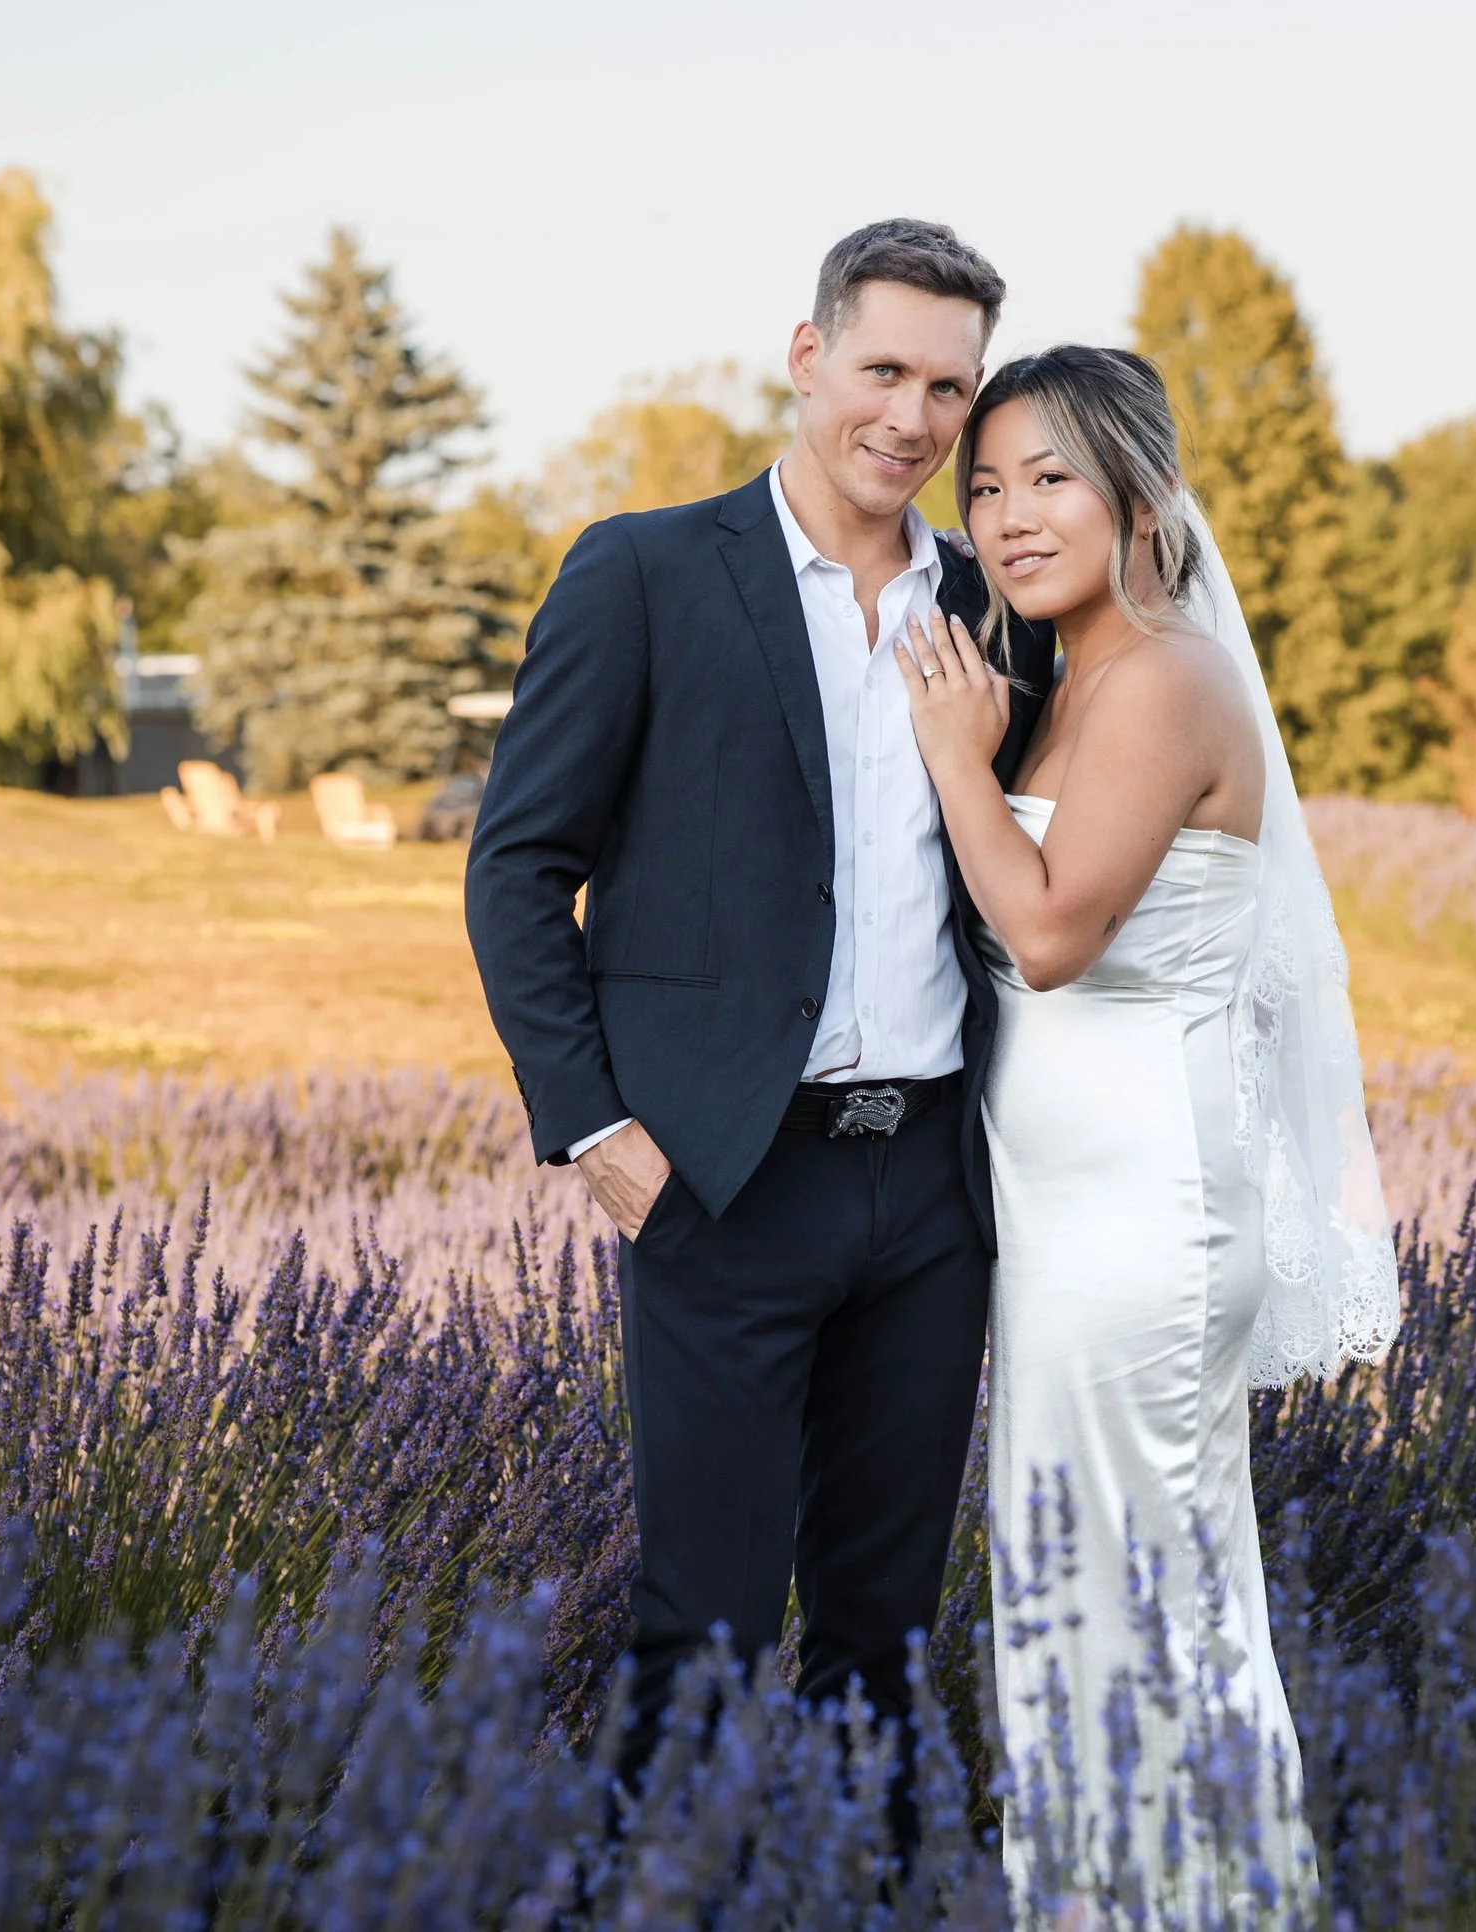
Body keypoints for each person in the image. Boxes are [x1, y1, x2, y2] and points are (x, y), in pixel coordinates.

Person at [462, 219, 1053, 1835]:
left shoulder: (994, 604)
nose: (915, 419)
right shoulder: (645, 571)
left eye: (951, 385)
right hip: (723, 1183)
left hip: (931, 1191)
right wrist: (596, 1127)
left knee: (880, 1628)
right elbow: (520, 869)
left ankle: (863, 1889)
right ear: (806, 359)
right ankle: (646, 1893)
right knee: (704, 1623)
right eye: (884, 371)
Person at [896, 345, 1401, 1921]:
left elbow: (1048, 937)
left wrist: (946, 759)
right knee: (1090, 1602)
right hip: (1075, 1233)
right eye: (983, 485)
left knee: (1132, 1608)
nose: (1008, 515)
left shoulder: (1169, 676)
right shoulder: (1072, 680)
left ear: (1142, 495)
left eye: (1050, 478)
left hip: (1147, 1229)